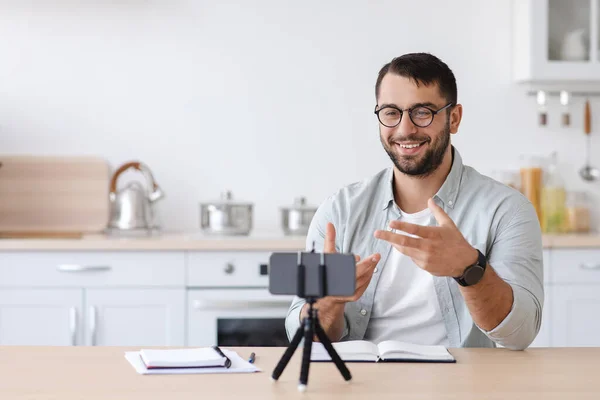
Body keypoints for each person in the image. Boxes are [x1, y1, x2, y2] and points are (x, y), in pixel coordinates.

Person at [285, 53, 543, 350]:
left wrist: (470, 269)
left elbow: (519, 335)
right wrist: (329, 303)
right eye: (392, 112)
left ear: (454, 118)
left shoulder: (507, 210)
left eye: (422, 112)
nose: (405, 129)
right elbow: (302, 339)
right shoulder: (340, 210)